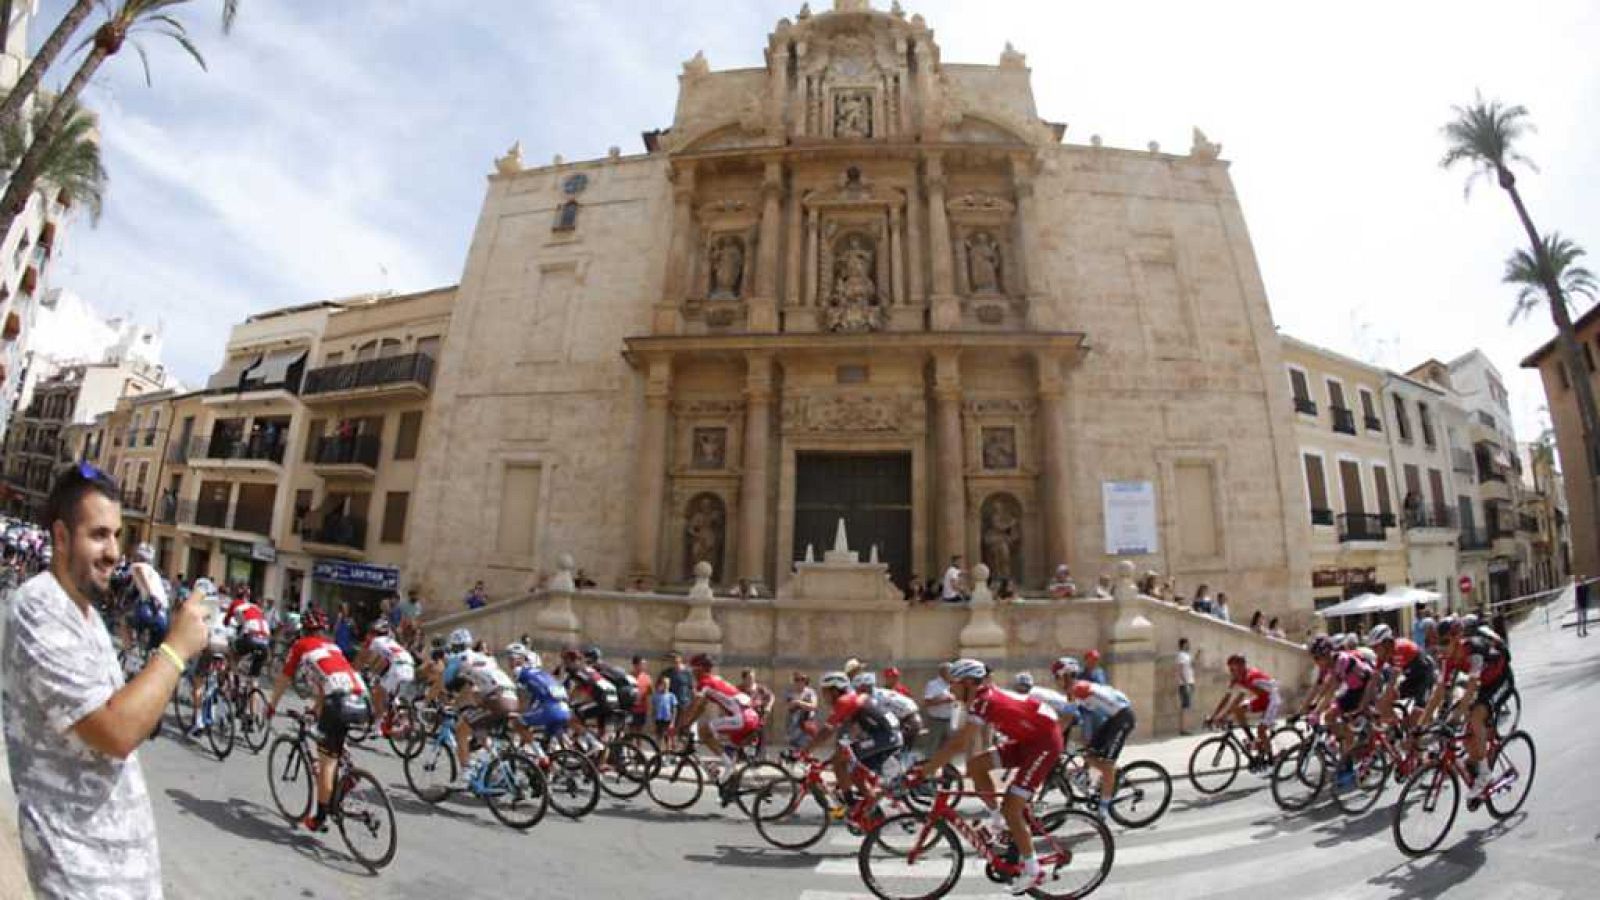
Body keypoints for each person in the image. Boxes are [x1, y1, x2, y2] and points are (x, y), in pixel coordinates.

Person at [2, 464, 208, 898]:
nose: (115, 551)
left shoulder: (89, 616)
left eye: (117, 535)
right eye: (98, 535)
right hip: (80, 878)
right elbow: (116, 731)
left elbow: (127, 714)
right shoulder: (39, 608)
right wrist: (175, 649)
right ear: (61, 537)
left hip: (120, 876)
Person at [917, 659, 1062, 895]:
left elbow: (960, 742)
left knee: (1012, 808)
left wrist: (926, 771)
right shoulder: (978, 699)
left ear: (967, 683)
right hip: (1027, 740)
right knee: (976, 765)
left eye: (952, 685)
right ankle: (998, 820)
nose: (950, 691)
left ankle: (1034, 870)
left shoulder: (983, 701)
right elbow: (965, 743)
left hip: (1044, 745)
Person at [265, 607, 371, 833]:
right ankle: (348, 772)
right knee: (334, 738)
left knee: (326, 762)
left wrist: (272, 705)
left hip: (339, 703)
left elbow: (284, 678)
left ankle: (321, 817)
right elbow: (329, 684)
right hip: (361, 700)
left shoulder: (301, 645)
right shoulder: (333, 647)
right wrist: (315, 710)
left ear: (303, 629)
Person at [673, 654, 759, 803]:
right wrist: (687, 724)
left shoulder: (704, 683)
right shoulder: (715, 679)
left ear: (700, 669)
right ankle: (729, 787)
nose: (692, 672)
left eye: (693, 669)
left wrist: (679, 726)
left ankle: (729, 766)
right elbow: (701, 708)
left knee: (704, 732)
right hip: (750, 716)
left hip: (742, 718)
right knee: (718, 739)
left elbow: (694, 706)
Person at [810, 672, 905, 806]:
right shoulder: (854, 699)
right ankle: (872, 815)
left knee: (839, 761)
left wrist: (805, 751)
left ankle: (851, 803)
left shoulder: (844, 701)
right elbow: (848, 730)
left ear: (835, 691)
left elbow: (827, 730)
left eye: (825, 691)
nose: (823, 696)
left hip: (885, 738)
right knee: (856, 775)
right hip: (888, 737)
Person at [1205, 654, 1280, 763]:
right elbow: (1226, 698)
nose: (1231, 673)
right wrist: (1214, 715)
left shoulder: (1250, 676)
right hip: (1262, 698)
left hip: (1272, 700)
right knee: (1238, 710)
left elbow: (1238, 699)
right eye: (1230, 669)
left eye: (1233, 669)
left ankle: (1271, 761)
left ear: (1241, 667)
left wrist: (1223, 716)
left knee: (1261, 730)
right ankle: (1252, 739)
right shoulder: (1237, 678)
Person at [354, 619, 415, 736]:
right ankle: (401, 715)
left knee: (377, 693)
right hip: (409, 665)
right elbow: (384, 662)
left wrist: (355, 671)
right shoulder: (390, 641)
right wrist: (374, 673)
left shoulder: (375, 641)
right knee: (390, 694)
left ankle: (377, 728)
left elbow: (363, 658)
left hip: (398, 667)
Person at [921, 662, 957, 755]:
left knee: (948, 747)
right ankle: (929, 765)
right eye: (951, 672)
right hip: (936, 721)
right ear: (943, 673)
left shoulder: (954, 684)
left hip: (951, 720)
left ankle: (946, 767)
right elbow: (927, 702)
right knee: (932, 747)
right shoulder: (933, 685)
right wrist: (944, 700)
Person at [784, 672, 819, 750]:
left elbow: (813, 706)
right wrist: (803, 705)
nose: (800, 682)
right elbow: (788, 706)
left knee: (806, 748)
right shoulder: (789, 692)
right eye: (797, 680)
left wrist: (798, 703)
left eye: (802, 679)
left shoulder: (810, 692)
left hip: (806, 725)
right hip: (792, 726)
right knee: (793, 749)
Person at [1175, 638, 1196, 735]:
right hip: (1185, 684)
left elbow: (1192, 666)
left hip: (1189, 682)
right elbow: (1180, 670)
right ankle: (1184, 729)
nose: (1189, 645)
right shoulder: (1181, 655)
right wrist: (1186, 683)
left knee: (1187, 706)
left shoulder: (1187, 656)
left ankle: (1185, 728)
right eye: (1187, 644)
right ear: (1183, 645)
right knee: (1185, 707)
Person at [630, 655, 655, 731]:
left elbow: (650, 693)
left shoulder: (647, 677)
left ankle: (639, 743)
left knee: (640, 730)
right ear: (635, 665)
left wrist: (650, 709)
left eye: (644, 664)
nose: (644, 666)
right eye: (642, 664)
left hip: (642, 709)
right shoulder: (628, 677)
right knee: (631, 730)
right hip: (630, 709)